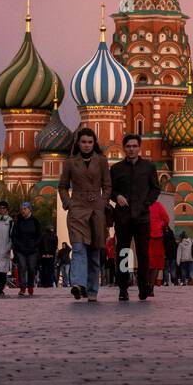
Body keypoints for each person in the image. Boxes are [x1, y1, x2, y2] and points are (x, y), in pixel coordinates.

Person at [59, 127, 111, 302]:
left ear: (94, 143)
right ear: (78, 143)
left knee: (94, 252)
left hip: (96, 210)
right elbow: (63, 186)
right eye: (83, 142)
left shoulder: (102, 161)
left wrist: (103, 203)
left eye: (90, 142)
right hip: (77, 210)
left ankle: (92, 290)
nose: (87, 145)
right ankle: (78, 285)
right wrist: (68, 204)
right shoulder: (70, 162)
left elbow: (107, 185)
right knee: (79, 248)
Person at [109, 133, 159, 301]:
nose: (131, 149)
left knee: (143, 253)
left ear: (139, 148)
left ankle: (144, 287)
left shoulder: (148, 167)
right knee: (123, 252)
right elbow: (109, 190)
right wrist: (117, 197)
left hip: (142, 217)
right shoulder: (116, 169)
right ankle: (123, 288)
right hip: (123, 218)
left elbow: (155, 188)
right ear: (124, 148)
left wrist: (147, 203)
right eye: (128, 146)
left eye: (134, 146)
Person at [10, 201, 43, 297]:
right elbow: (13, 236)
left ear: (29, 210)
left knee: (32, 269)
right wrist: (17, 246)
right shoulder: (18, 222)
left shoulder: (35, 221)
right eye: (21, 209)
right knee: (22, 268)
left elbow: (40, 235)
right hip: (21, 250)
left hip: (32, 250)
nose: (23, 211)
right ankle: (22, 288)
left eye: (25, 209)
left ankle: (30, 285)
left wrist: (35, 245)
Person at [148, 197, 172, 289]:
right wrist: (160, 225)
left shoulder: (141, 204)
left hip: (144, 236)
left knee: (147, 262)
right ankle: (150, 288)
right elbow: (166, 219)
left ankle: (146, 286)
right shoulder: (157, 205)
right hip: (157, 237)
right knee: (155, 263)